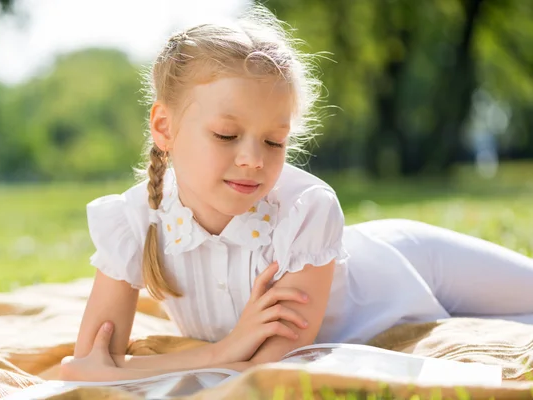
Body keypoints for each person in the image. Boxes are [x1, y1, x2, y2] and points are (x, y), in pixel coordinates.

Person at [59, 5, 533, 382]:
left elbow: (266, 367)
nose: (253, 159)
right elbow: (88, 363)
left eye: (274, 141)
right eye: (226, 135)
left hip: (411, 260)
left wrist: (149, 366)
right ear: (165, 126)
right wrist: (225, 350)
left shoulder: (306, 209)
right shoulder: (134, 220)